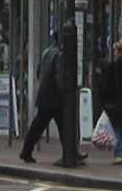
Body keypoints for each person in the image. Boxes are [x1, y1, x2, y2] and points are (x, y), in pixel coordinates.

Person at [19, 32, 87, 164]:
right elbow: (59, 76)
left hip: (45, 95)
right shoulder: (60, 55)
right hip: (56, 97)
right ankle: (71, 153)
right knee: (64, 126)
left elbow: (39, 72)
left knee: (40, 126)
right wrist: (65, 92)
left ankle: (26, 151)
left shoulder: (47, 52)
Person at [99, 40, 122, 164]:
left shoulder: (113, 66)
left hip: (116, 104)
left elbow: (107, 87)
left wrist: (105, 102)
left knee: (118, 128)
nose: (114, 52)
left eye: (115, 50)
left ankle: (119, 153)